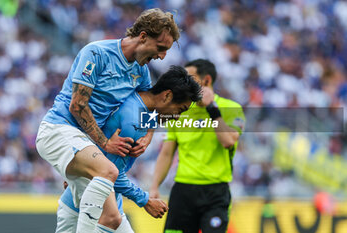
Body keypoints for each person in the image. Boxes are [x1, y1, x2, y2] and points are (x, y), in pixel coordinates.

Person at [36, 8, 180, 233]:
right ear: (143, 36)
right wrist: (104, 143)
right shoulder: (96, 53)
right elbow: (77, 105)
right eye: (160, 48)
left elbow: (148, 104)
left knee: (113, 220)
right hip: (59, 130)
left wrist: (149, 135)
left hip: (87, 145)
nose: (162, 56)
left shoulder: (140, 71)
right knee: (109, 177)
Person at [56, 66, 202, 233]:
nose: (177, 117)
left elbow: (149, 116)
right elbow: (109, 174)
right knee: (112, 220)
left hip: (90, 196)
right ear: (167, 95)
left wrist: (149, 135)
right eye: (180, 110)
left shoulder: (136, 99)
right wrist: (145, 200)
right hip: (93, 200)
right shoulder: (135, 123)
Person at [149, 59, 246, 233]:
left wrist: (212, 108)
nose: (184, 83)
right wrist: (154, 186)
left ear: (207, 80)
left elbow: (228, 141)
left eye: (190, 78)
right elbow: (166, 153)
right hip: (183, 190)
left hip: (215, 192)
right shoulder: (181, 109)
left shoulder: (231, 108)